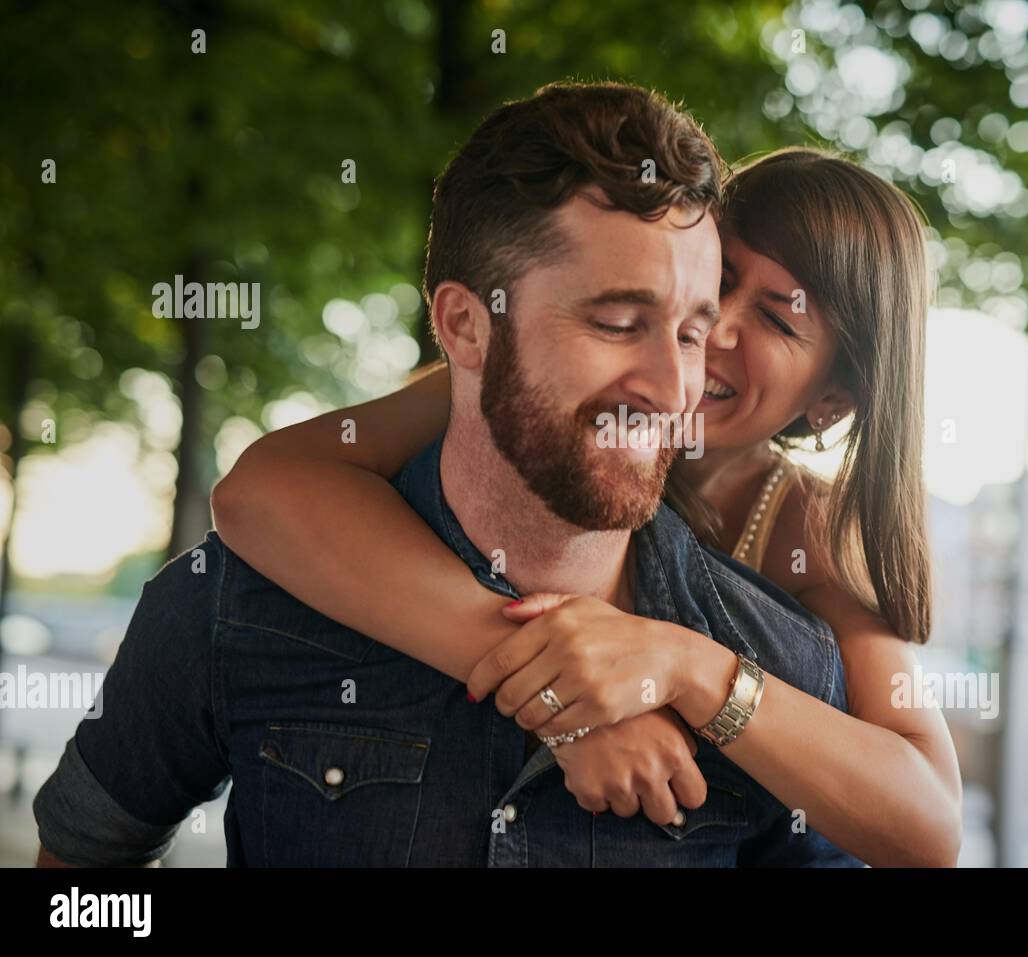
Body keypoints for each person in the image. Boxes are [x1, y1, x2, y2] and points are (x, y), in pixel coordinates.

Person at [33, 80, 877, 867]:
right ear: (466, 328)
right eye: (619, 322)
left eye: (692, 333)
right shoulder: (234, 602)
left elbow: (922, 821)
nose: (670, 387)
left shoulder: (781, 671)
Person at [208, 147, 962, 862]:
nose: (710, 328)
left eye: (776, 318)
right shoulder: (542, 389)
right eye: (718, 279)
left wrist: (686, 668)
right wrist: (560, 694)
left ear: (830, 400)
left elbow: (927, 820)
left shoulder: (809, 528)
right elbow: (260, 490)